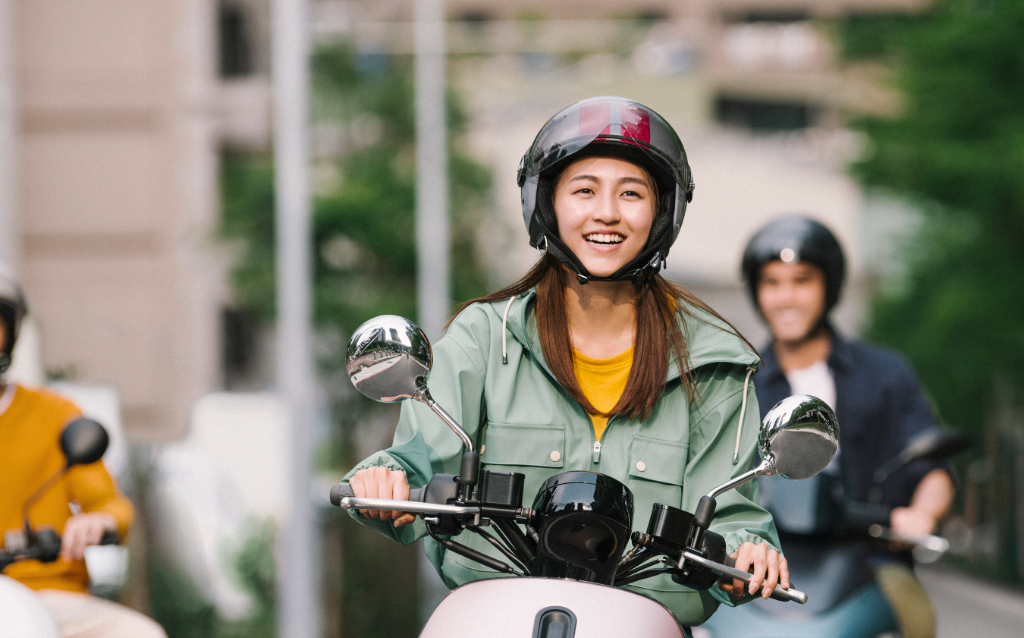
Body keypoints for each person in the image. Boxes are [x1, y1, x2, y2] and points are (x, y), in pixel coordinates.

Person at [343, 96, 789, 628]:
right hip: (491, 619)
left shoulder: (714, 362)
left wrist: (748, 552)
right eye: (584, 190)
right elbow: (420, 458)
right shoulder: (486, 337)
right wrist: (385, 478)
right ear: (546, 203)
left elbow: (733, 512)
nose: (607, 212)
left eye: (631, 193)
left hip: (644, 624)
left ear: (663, 211)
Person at [740, 215, 955, 638]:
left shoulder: (885, 374)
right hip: (761, 560)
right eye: (771, 282)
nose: (786, 297)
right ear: (756, 291)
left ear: (829, 287)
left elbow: (933, 468)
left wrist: (921, 514)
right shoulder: (738, 383)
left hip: (868, 560)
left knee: (917, 619)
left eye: (802, 280)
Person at [0, 264, 166, 638]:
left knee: (140, 634)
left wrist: (99, 521)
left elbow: (112, 505)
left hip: (50, 597)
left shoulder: (56, 415)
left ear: (10, 332)